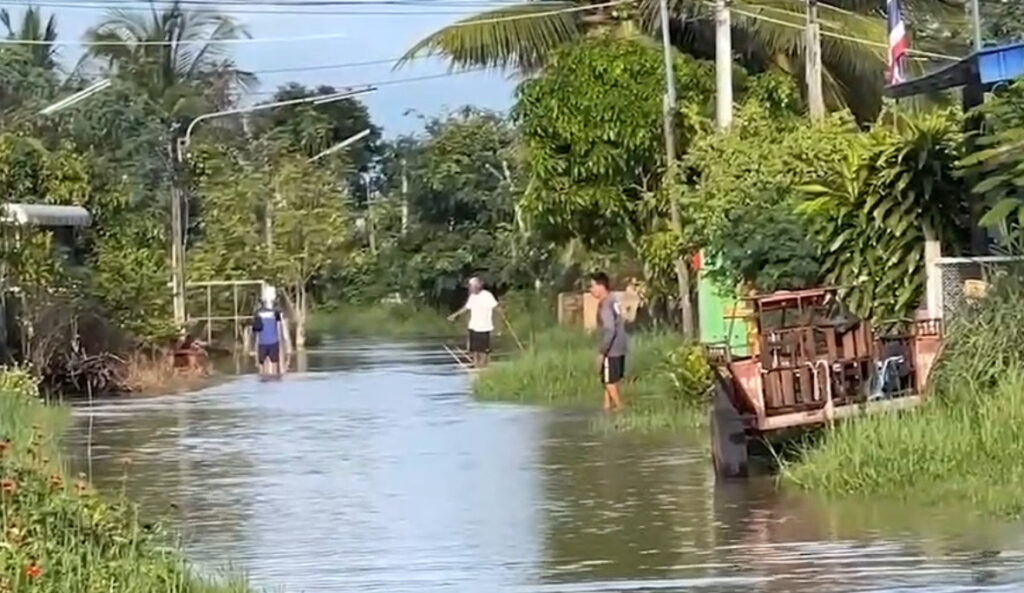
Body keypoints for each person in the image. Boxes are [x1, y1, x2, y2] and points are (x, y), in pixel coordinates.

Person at [591, 272, 628, 412]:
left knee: (609, 382)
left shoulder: (605, 305)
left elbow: (609, 329)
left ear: (601, 287)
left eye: (593, 286)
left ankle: (620, 408)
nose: (591, 290)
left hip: (611, 348)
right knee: (610, 380)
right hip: (620, 345)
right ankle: (607, 407)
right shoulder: (613, 300)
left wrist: (602, 351)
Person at [448, 277, 498, 368]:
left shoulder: (487, 295)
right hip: (473, 326)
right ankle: (476, 364)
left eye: (471, 286)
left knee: (483, 350)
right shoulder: (472, 297)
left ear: (477, 286)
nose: (469, 288)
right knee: (474, 349)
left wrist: (503, 315)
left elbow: (495, 306)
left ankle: (483, 366)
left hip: (484, 327)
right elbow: (466, 308)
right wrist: (454, 315)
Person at [252, 289, 286, 377]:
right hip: (272, 342)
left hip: (264, 343)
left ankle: (265, 382)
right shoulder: (275, 312)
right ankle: (271, 382)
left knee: (263, 367)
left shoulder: (258, 313)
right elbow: (279, 328)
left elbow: (255, 331)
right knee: (273, 366)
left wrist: (253, 348)